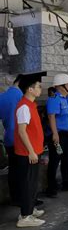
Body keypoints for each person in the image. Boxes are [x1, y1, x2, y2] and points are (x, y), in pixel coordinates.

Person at [14, 71, 47, 227]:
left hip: (34, 151)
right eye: (38, 87)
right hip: (27, 152)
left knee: (32, 182)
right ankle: (25, 217)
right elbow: (22, 131)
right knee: (27, 183)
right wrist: (31, 151)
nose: (40, 89)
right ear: (30, 89)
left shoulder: (30, 105)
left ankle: (30, 209)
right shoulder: (23, 107)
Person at [45, 73, 68, 198]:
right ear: (61, 86)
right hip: (58, 135)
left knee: (67, 160)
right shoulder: (54, 99)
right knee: (55, 161)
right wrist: (54, 134)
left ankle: (67, 183)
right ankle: (51, 187)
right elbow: (51, 117)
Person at [0, 74, 24, 206]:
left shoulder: (2, 97)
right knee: (24, 171)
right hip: (22, 139)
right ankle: (25, 198)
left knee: (14, 170)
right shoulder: (22, 97)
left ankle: (16, 197)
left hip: (9, 138)